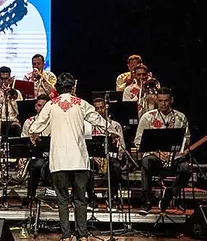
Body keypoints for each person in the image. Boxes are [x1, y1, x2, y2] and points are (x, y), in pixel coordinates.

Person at [28, 73, 120, 241]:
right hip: (79, 160)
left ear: (57, 88)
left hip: (59, 160)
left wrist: (32, 133)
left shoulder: (50, 105)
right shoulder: (81, 104)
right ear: (73, 88)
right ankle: (83, 236)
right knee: (80, 200)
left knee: (62, 200)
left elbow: (36, 125)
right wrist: (114, 132)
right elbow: (99, 120)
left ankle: (66, 236)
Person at [134, 87, 190, 215]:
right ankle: (147, 201)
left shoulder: (181, 117)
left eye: (166, 100)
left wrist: (175, 152)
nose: (163, 104)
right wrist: (156, 152)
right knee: (146, 162)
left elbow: (186, 140)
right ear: (156, 101)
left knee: (186, 168)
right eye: (160, 101)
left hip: (174, 157)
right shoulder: (147, 117)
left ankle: (170, 193)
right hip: (155, 158)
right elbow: (138, 141)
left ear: (171, 100)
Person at [87, 97, 125, 211]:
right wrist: (92, 157)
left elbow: (122, 147)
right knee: (85, 170)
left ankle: (111, 197)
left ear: (106, 108)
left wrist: (115, 156)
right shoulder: (87, 126)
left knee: (116, 168)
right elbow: (83, 145)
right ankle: (91, 199)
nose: (100, 111)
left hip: (110, 158)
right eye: (97, 109)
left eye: (102, 108)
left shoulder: (115, 125)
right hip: (92, 158)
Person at [12, 94, 50, 196]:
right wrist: (21, 158)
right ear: (35, 106)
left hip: (52, 155)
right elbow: (24, 142)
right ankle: (30, 196)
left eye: (44, 106)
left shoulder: (54, 122)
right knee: (35, 166)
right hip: (35, 155)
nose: (41, 109)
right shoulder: (29, 122)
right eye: (39, 105)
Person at [0, 66, 23, 137]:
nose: (4, 81)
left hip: (12, 121)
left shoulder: (16, 92)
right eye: (2, 79)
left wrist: (10, 96)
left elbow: (19, 111)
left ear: (10, 79)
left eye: (6, 79)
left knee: (16, 127)